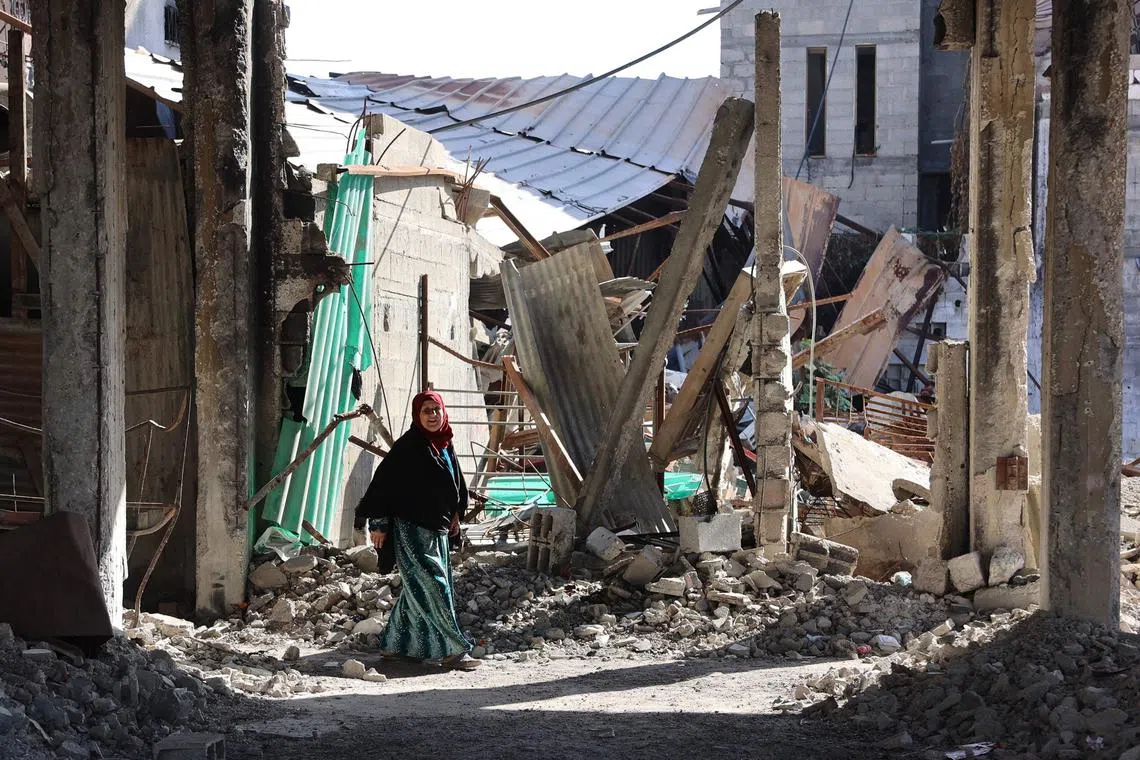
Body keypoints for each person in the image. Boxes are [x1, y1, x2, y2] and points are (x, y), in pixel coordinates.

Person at [353, 391, 480, 670]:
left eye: (436, 410)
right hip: (411, 530)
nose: (433, 415)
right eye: (427, 411)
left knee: (417, 589)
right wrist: (379, 524)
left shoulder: (444, 444)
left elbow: (454, 484)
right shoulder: (408, 447)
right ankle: (453, 649)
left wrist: (456, 514)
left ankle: (398, 645)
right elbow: (383, 485)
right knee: (434, 587)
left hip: (438, 529)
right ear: (417, 415)